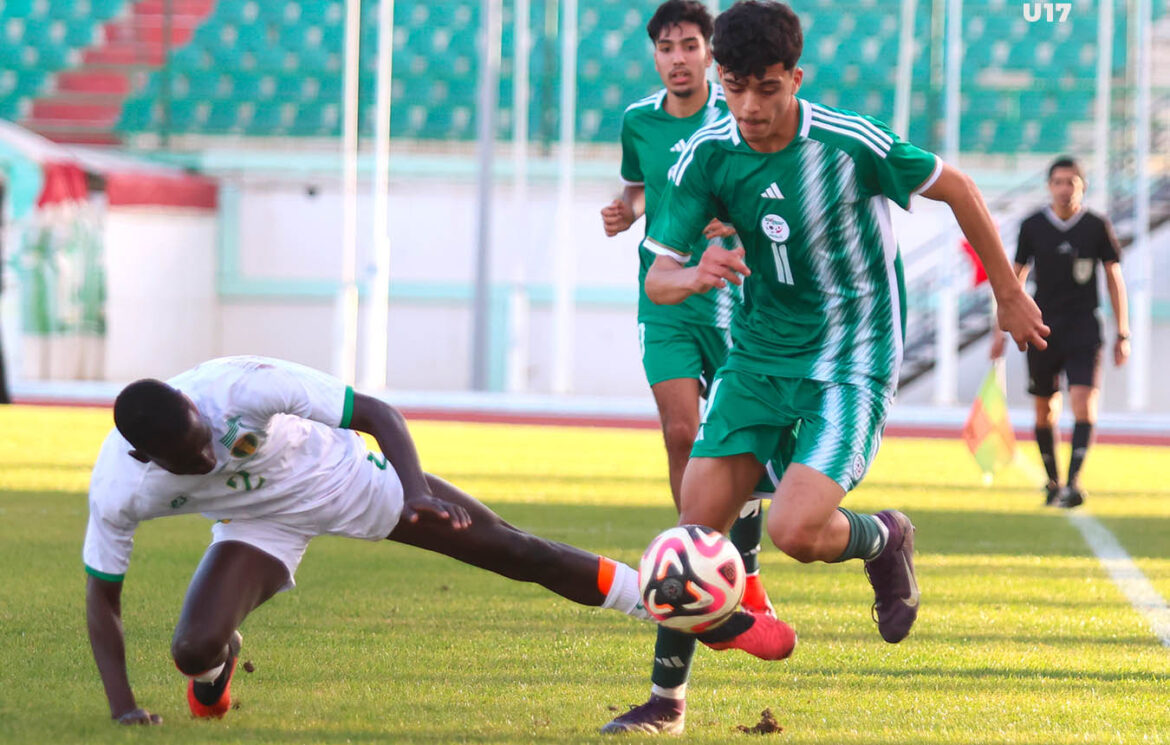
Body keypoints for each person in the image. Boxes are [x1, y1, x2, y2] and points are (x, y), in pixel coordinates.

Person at [633, 0, 1048, 725]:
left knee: (795, 532)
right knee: (693, 529)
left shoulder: (851, 143)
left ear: (797, 76)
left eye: (768, 86)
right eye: (734, 86)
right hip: (759, 358)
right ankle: (665, 704)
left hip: (851, 361)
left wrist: (1008, 293)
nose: (750, 105)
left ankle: (884, 535)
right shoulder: (705, 156)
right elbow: (657, 277)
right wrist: (697, 272)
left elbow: (958, 188)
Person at [84, 355, 795, 726]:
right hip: (256, 524)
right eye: (189, 457)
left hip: (343, 474)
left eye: (206, 437)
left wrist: (415, 491)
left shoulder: (240, 386)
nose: (208, 454)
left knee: (514, 550)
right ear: (151, 460)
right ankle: (217, 668)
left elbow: (378, 413)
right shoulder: (123, 487)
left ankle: (692, 611)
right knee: (190, 648)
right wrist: (119, 704)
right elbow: (102, 598)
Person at [598, 1, 780, 734]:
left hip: (734, 298)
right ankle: (697, 550)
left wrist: (728, 222)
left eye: (689, 46)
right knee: (683, 432)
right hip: (668, 300)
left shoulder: (737, 119)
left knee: (744, 446)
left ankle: (748, 573)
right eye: (666, 47)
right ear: (655, 57)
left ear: (711, 54)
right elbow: (644, 190)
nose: (678, 58)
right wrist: (624, 208)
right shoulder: (639, 121)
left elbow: (763, 196)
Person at [991, 157, 1129, 508]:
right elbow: (1014, 277)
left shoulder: (1096, 226)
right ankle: (1052, 482)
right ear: (1049, 186)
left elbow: (1114, 278)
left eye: (1071, 182)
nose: (1064, 188)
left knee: (1084, 402)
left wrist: (1122, 332)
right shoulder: (1033, 226)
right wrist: (1000, 327)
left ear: (1082, 186)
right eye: (1058, 182)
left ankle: (1074, 482)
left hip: (1084, 328)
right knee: (1045, 409)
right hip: (1042, 327)